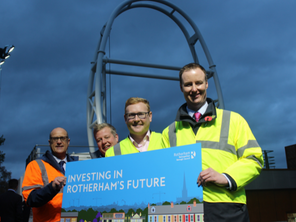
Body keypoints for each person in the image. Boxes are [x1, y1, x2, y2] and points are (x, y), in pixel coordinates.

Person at [161, 63, 263, 222]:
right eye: (188, 84)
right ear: (181, 88)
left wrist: (226, 177)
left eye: (198, 83)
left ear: (206, 84)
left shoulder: (234, 120)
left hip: (228, 209)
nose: (194, 89)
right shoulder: (169, 132)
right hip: (184, 210)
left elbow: (254, 159)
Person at [22, 127, 78, 222]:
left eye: (62, 138)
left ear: (68, 141)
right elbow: (30, 199)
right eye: (55, 139)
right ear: (49, 142)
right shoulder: (36, 165)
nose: (59, 142)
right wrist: (51, 188)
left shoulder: (77, 166)